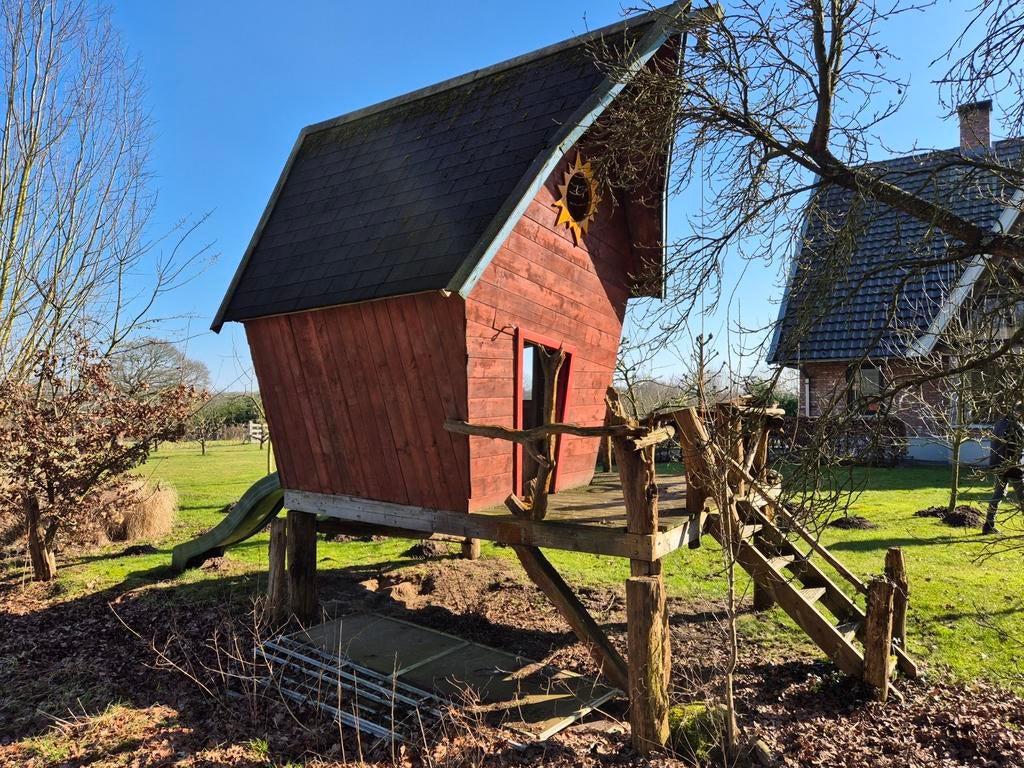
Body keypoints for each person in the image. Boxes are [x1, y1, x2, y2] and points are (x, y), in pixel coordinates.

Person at [985, 404, 1024, 535]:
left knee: (998, 494)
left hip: (998, 464)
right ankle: (989, 525)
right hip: (1011, 465)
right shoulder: (1016, 427)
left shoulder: (1000, 423)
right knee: (1022, 495)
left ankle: (988, 524)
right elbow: (1016, 448)